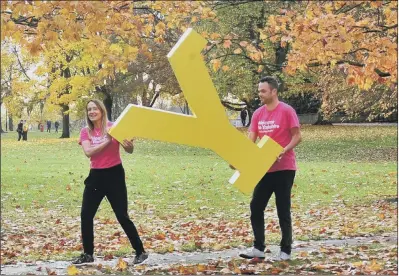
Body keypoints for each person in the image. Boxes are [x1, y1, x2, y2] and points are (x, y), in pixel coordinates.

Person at [73, 99, 148, 265]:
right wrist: (108, 140)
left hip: (114, 175)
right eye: (89, 109)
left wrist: (128, 145)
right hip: (96, 177)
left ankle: (140, 251)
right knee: (86, 215)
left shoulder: (115, 127)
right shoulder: (86, 132)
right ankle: (88, 254)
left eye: (95, 109)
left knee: (122, 215)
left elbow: (129, 150)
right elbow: (88, 152)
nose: (92, 112)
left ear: (102, 110)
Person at [239, 76, 302, 261]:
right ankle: (258, 249)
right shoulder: (258, 113)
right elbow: (251, 140)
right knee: (256, 206)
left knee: (283, 209)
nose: (260, 94)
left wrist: (284, 150)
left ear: (274, 91)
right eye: (259, 91)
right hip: (264, 168)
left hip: (284, 168)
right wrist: (240, 158)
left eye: (263, 91)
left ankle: (285, 251)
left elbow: (297, 136)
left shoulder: (286, 111)